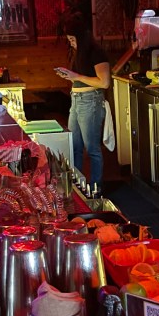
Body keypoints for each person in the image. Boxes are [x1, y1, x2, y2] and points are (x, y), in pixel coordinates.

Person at [55, 14, 111, 188]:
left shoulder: (96, 52)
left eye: (73, 39)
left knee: (92, 148)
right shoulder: (78, 54)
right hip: (76, 100)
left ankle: (96, 188)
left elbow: (104, 82)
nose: (71, 43)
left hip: (90, 101)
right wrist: (70, 76)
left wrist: (76, 76)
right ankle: (79, 186)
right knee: (75, 146)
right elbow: (81, 79)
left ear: (82, 37)